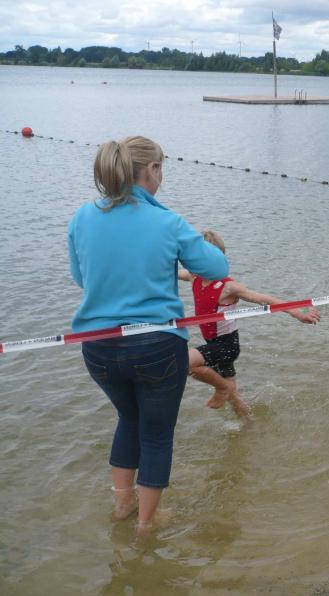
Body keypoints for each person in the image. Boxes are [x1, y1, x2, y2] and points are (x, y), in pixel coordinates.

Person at [68, 136, 229, 534]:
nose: (162, 177)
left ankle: (122, 506)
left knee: (128, 419)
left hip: (98, 347)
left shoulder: (82, 217)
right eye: (161, 169)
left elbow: (81, 278)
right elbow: (217, 267)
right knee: (156, 434)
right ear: (151, 170)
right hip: (156, 346)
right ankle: (146, 524)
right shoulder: (167, 221)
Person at [178, 229, 321, 419]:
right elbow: (170, 272)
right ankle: (250, 426)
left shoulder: (228, 286)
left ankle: (222, 387)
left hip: (227, 346)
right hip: (213, 344)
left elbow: (264, 299)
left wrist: (297, 313)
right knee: (235, 401)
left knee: (182, 363)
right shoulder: (194, 278)